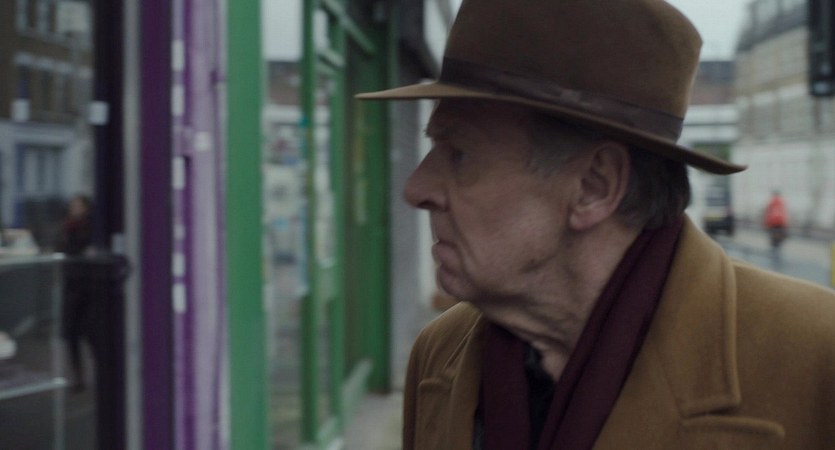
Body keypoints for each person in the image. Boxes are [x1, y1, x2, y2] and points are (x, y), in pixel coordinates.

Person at [358, 0, 835, 448]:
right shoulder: (439, 353)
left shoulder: (815, 355)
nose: (416, 188)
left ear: (594, 186)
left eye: (459, 154)